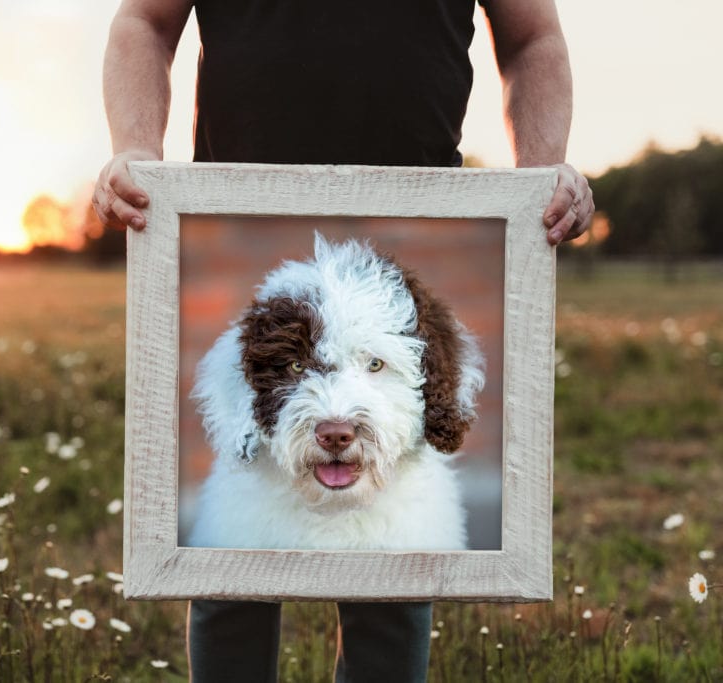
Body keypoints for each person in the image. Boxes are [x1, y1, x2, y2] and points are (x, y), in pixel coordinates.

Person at [94, 1, 594, 680]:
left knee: (393, 573)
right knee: (230, 570)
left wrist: (543, 173)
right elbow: (143, 23)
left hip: (420, 199)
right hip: (230, 195)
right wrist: (135, 151)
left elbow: (533, 37)